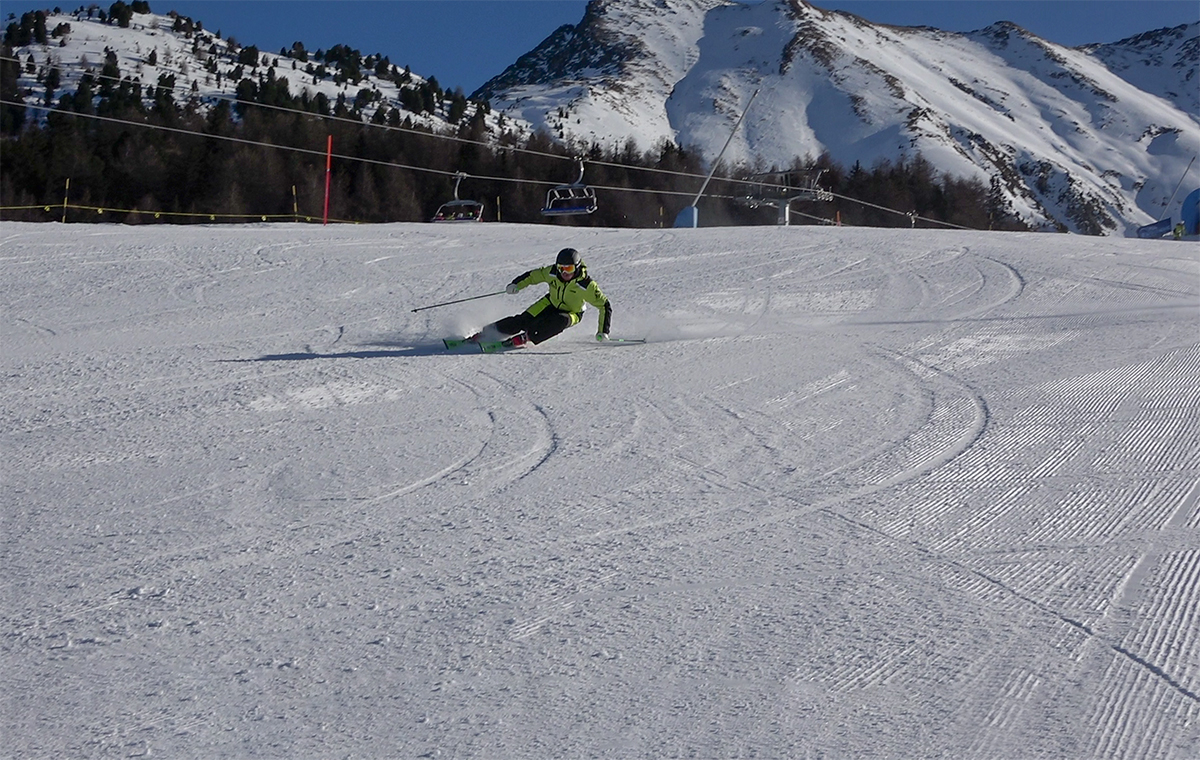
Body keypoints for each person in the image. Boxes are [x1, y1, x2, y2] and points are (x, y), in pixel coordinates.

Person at [474, 247, 612, 348]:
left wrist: (603, 331)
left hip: (572, 312)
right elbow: (532, 276)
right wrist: (516, 285)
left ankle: (527, 337)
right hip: (550, 302)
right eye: (561, 268)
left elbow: (604, 306)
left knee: (560, 321)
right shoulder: (551, 273)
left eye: (568, 269)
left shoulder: (586, 285)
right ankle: (487, 332)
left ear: (576, 268)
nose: (564, 272)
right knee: (523, 320)